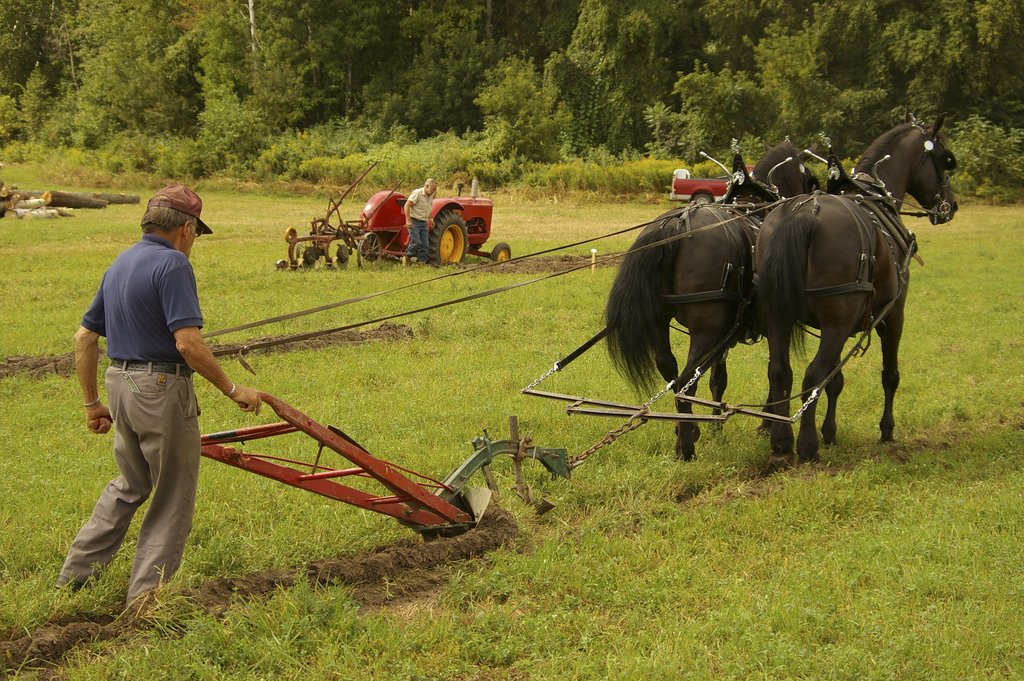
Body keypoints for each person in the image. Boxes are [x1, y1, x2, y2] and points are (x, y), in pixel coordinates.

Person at [57, 184, 262, 606]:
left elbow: (83, 339)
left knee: (130, 483)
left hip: (119, 385)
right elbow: (187, 343)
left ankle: (73, 578)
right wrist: (232, 387)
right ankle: (147, 601)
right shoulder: (172, 266)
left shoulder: (121, 262)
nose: (193, 245)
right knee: (172, 495)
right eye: (196, 236)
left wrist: (92, 402)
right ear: (187, 228)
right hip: (161, 390)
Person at [403, 178, 437, 265]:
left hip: (423, 222)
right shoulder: (417, 193)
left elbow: (428, 209)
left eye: (435, 189)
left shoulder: (430, 196)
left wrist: (431, 219)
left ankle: (420, 264)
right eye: (433, 188)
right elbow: (407, 206)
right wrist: (409, 221)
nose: (434, 191)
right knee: (416, 242)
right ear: (427, 186)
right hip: (414, 221)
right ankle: (406, 257)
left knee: (425, 245)